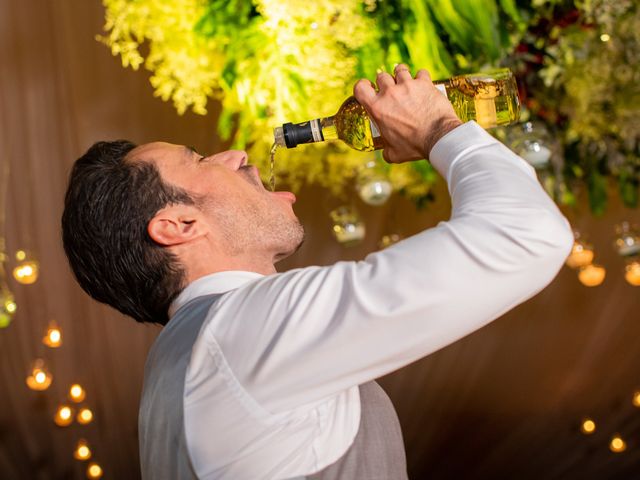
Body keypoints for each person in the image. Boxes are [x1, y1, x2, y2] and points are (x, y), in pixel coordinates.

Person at [61, 64, 573, 480]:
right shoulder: (244, 332)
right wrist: (439, 128)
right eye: (198, 159)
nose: (236, 154)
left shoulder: (179, 366)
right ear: (178, 225)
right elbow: (526, 236)